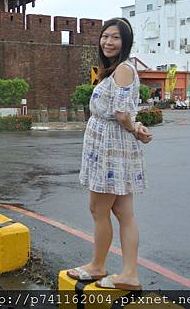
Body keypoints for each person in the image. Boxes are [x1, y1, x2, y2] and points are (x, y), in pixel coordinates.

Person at [67, 17, 153, 291]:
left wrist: (134, 128)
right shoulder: (118, 70)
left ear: (125, 42)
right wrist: (136, 128)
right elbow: (125, 113)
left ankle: (98, 266)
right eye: (105, 36)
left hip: (110, 147)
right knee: (123, 212)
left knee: (98, 209)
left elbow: (120, 113)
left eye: (115, 37)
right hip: (114, 143)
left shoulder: (123, 70)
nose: (108, 42)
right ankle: (128, 273)